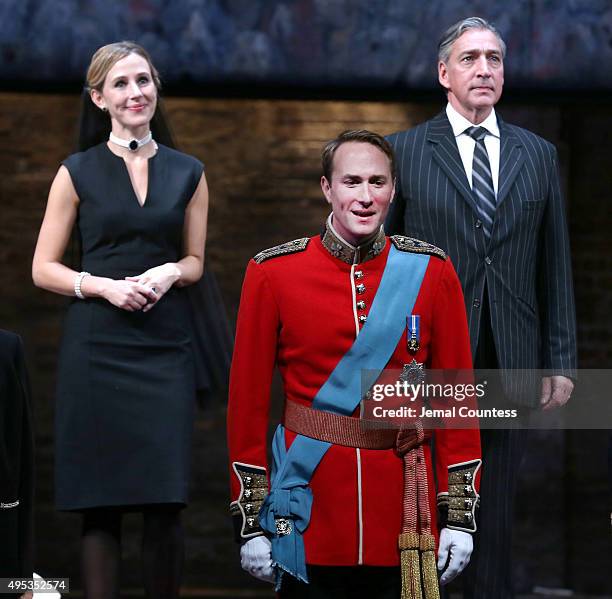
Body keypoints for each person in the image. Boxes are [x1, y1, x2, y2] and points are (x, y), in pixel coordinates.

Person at [227, 129, 482, 598]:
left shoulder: (432, 271)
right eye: (351, 182)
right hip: (305, 508)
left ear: (393, 189)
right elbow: (245, 406)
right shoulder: (272, 273)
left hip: (406, 513)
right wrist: (252, 520)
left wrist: (460, 518)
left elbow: (457, 403)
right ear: (328, 188)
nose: (365, 197)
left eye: (377, 182)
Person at [385, 17, 577, 599]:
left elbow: (555, 262)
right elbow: (385, 266)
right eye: (469, 59)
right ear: (444, 73)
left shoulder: (538, 154)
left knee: (492, 510)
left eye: (494, 58)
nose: (484, 69)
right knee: (425, 506)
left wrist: (561, 359)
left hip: (509, 353)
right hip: (427, 358)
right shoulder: (405, 152)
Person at [32, 41, 208, 599]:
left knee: (165, 502)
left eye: (144, 80)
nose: (136, 93)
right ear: (100, 97)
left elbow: (196, 261)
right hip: (97, 347)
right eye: (122, 84)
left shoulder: (190, 172)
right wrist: (102, 285)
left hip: (164, 347)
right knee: (100, 506)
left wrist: (169, 274)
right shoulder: (76, 172)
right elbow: (43, 268)